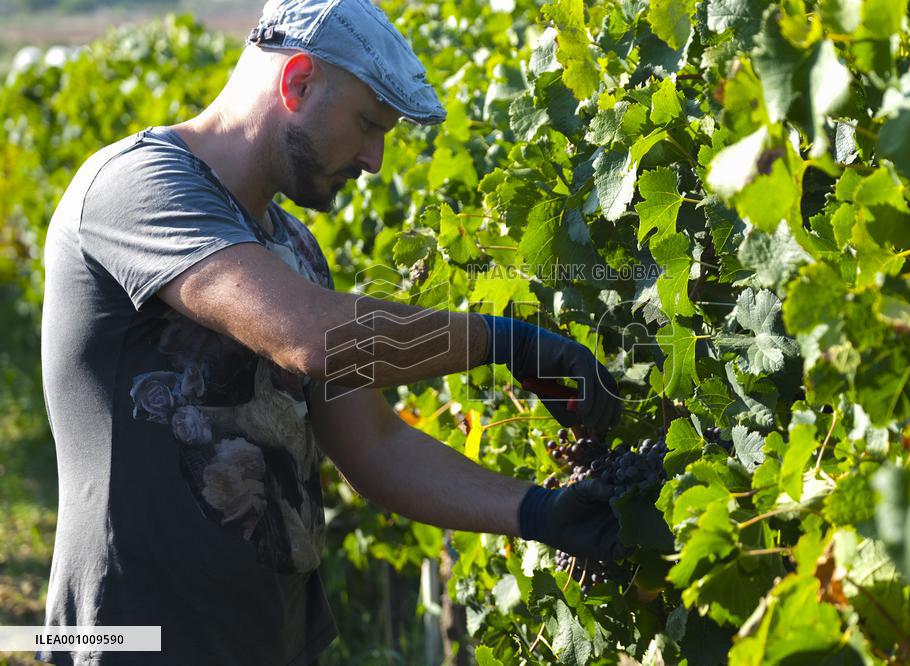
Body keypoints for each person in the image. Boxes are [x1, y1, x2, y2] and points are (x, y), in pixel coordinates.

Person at [37, 0, 623, 663]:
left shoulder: (293, 248)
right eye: (369, 124)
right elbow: (307, 336)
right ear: (298, 82)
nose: (374, 159)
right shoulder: (138, 186)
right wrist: (508, 343)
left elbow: (374, 444)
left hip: (271, 641)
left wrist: (539, 513)